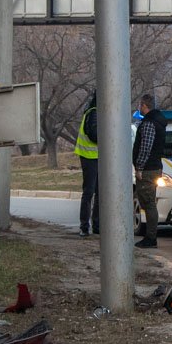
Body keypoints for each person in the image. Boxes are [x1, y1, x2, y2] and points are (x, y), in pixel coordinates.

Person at [132, 93, 167, 249]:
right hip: (155, 167)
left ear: (144, 106)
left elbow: (145, 148)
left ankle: (150, 238)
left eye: (141, 105)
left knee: (148, 203)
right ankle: (150, 236)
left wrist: (139, 167)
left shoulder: (148, 123)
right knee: (149, 202)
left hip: (148, 169)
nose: (139, 108)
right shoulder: (159, 122)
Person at [73, 92, 99, 237]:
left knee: (99, 193)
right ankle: (84, 226)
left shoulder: (96, 112)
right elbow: (94, 135)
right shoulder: (94, 113)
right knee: (89, 192)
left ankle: (96, 225)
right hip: (89, 157)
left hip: (97, 157)